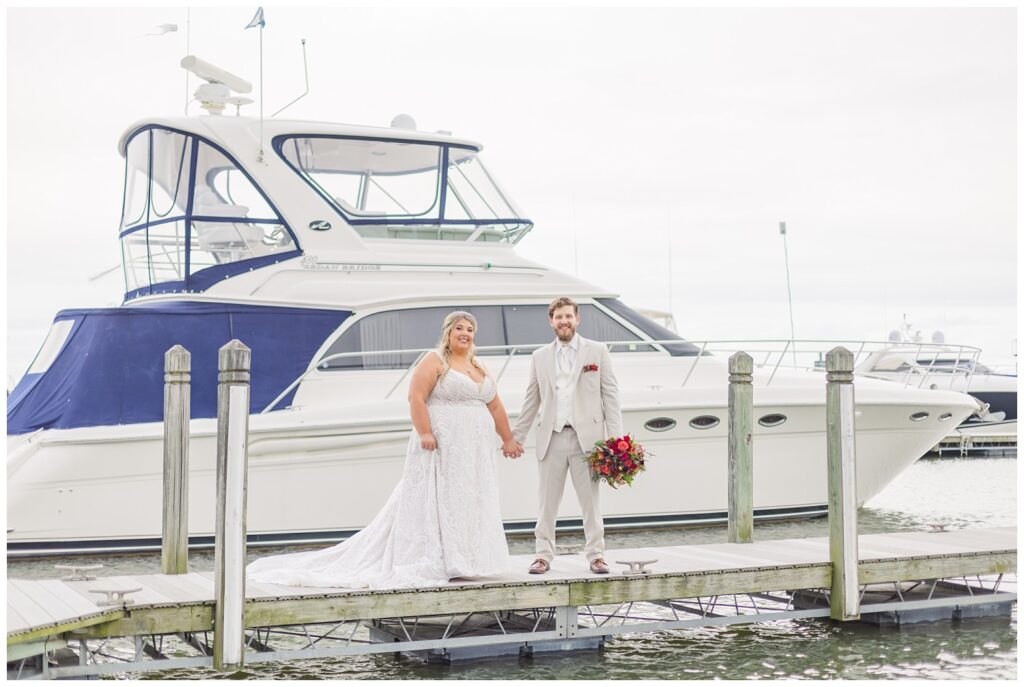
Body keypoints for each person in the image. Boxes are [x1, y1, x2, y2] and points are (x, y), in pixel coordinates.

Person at [247, 311, 522, 589]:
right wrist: (425, 431)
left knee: (469, 498)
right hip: (443, 443)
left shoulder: (480, 366)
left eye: (470, 329)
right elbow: (416, 396)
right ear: (448, 332)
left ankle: (468, 559)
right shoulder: (435, 360)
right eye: (459, 328)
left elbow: (495, 406)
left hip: (474, 450)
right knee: (440, 497)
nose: (465, 333)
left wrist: (508, 439)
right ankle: (443, 559)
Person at [513, 297, 623, 575]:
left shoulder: (597, 351)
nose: (564, 321)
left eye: (568, 316)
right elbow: (531, 400)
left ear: (577, 319)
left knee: (591, 503)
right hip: (551, 436)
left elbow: (611, 396)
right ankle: (542, 555)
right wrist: (517, 436)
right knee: (546, 503)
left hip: (589, 440)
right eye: (558, 317)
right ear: (551, 321)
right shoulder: (539, 356)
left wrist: (617, 441)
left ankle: (596, 555)